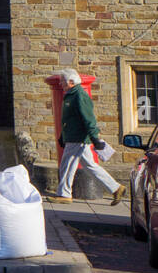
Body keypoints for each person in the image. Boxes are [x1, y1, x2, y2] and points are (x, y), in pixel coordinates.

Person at [46, 68, 126, 205]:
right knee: (90, 166)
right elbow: (70, 119)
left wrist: (94, 137)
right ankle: (116, 188)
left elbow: (88, 118)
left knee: (67, 165)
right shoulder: (71, 94)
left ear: (71, 81)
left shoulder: (79, 95)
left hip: (78, 138)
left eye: (63, 81)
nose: (61, 84)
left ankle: (64, 194)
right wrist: (62, 136)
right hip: (73, 137)